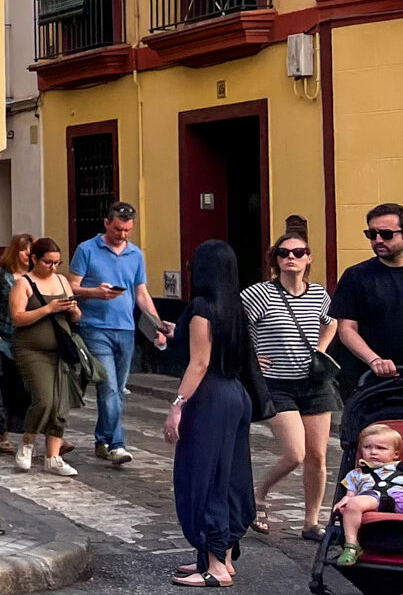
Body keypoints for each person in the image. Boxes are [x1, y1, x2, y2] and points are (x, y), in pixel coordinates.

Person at [164, 239, 261, 588]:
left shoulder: (202, 306)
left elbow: (200, 361)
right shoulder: (234, 306)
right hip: (236, 394)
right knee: (230, 474)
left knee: (203, 478)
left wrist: (177, 406)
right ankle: (221, 557)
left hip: (210, 398)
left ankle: (216, 567)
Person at [241, 232, 336, 540]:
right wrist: (252, 357)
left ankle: (311, 522)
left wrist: (320, 350)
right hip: (276, 385)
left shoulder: (319, 294)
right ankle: (259, 493)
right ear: (276, 260)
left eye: (298, 252)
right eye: (284, 253)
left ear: (308, 257)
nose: (291, 258)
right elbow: (235, 326)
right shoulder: (258, 294)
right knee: (295, 453)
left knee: (318, 457)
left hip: (314, 384)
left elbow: (331, 321)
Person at [70, 202, 176, 465]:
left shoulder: (136, 255)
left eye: (128, 230)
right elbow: (71, 286)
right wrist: (96, 293)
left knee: (118, 390)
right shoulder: (87, 250)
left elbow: (141, 294)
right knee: (109, 387)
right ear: (107, 223)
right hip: (95, 327)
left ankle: (102, 440)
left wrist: (157, 325)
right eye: (118, 229)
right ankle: (117, 444)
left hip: (126, 328)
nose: (122, 235)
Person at [332, 203, 403, 387]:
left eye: (386, 234)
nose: (378, 240)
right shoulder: (356, 276)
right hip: (372, 377)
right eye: (372, 234)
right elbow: (346, 329)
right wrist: (375, 361)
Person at [8, 236, 83, 476]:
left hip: (60, 349)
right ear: (34, 259)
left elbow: (77, 316)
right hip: (31, 349)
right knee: (44, 399)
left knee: (60, 405)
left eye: (57, 263)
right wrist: (48, 308)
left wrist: (72, 309)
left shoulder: (62, 281)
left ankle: (53, 456)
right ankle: (28, 443)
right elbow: (18, 317)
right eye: (48, 262)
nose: (53, 267)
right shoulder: (24, 284)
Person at [332, 423, 403, 567]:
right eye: (367, 447)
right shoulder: (356, 473)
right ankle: (351, 544)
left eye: (380, 448)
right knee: (353, 504)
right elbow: (351, 494)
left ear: (395, 454)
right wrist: (345, 500)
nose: (373, 452)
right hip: (372, 497)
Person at [0, 233, 35, 456]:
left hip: (27, 338)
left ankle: (47, 436)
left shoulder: (35, 278)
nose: (28, 255)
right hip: (3, 337)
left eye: (31, 251)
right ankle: (2, 435)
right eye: (24, 250)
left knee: (32, 389)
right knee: (4, 388)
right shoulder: (2, 276)